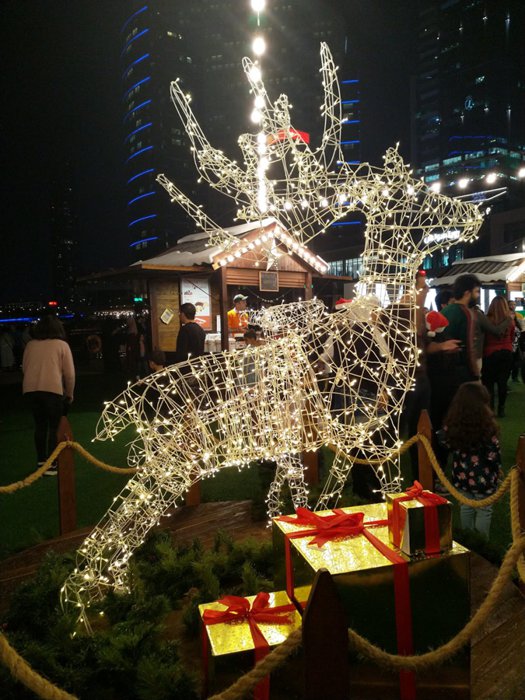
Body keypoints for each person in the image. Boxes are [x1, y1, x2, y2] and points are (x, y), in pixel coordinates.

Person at [439, 382, 501, 538]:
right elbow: (492, 455)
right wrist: (497, 469)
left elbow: (445, 443)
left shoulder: (453, 424)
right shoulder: (488, 426)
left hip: (462, 475)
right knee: (484, 510)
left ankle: (468, 540)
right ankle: (481, 543)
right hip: (484, 477)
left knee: (465, 506)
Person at [22, 315, 75, 475]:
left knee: (40, 426)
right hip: (52, 390)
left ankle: (41, 461)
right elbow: (69, 374)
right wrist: (70, 393)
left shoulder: (30, 345)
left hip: (31, 390)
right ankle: (52, 464)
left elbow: (25, 367)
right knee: (54, 427)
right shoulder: (61, 345)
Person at [441, 274, 481, 384]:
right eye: (476, 292)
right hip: (461, 367)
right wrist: (475, 371)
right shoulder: (467, 313)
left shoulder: (445, 310)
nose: (477, 295)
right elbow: (469, 345)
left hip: (445, 366)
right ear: (467, 293)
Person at [481, 296, 515, 417]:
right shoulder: (510, 321)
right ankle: (501, 408)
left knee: (489, 383)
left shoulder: (486, 320)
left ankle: (490, 409)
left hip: (490, 353)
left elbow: (484, 338)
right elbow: (512, 337)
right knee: (502, 382)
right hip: (506, 352)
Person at [508, 300, 525, 382]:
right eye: (511, 304)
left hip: (516, 345)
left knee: (516, 362)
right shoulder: (505, 318)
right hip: (509, 345)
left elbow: (521, 331)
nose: (513, 306)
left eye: (514, 304)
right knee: (509, 363)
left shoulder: (518, 316)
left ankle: (515, 377)